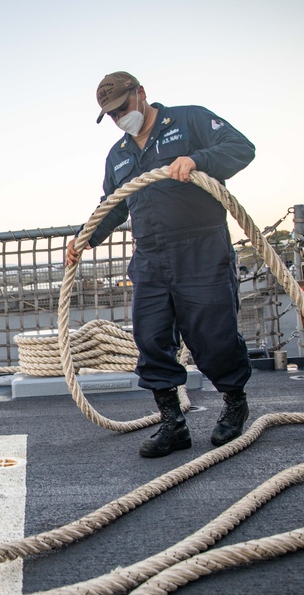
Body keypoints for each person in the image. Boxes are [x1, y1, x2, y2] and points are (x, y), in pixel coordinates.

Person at [66, 72, 255, 458]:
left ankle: (235, 403)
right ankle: (173, 424)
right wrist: (85, 237)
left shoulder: (190, 120)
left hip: (201, 247)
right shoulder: (118, 155)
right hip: (150, 256)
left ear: (141, 94)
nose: (120, 119)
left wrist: (198, 159)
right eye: (112, 115)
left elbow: (241, 148)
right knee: (151, 339)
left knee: (213, 336)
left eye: (122, 109)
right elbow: (113, 204)